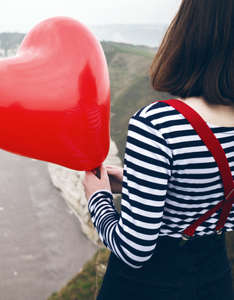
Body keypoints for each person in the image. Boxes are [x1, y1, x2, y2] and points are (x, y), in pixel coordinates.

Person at [81, 0, 234, 299]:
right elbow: (210, 193)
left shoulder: (158, 124)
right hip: (215, 282)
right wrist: (137, 183)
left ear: (189, 32)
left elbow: (134, 249)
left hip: (145, 287)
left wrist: (97, 199)